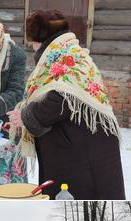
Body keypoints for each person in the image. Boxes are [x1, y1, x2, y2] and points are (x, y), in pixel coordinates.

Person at [7, 10, 125, 200]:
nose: (32, 46)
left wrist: (27, 116)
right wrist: (24, 110)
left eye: (32, 41)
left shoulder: (64, 57)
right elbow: (52, 93)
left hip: (80, 149)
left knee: (75, 207)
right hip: (82, 143)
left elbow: (63, 98)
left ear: (39, 38)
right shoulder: (69, 51)